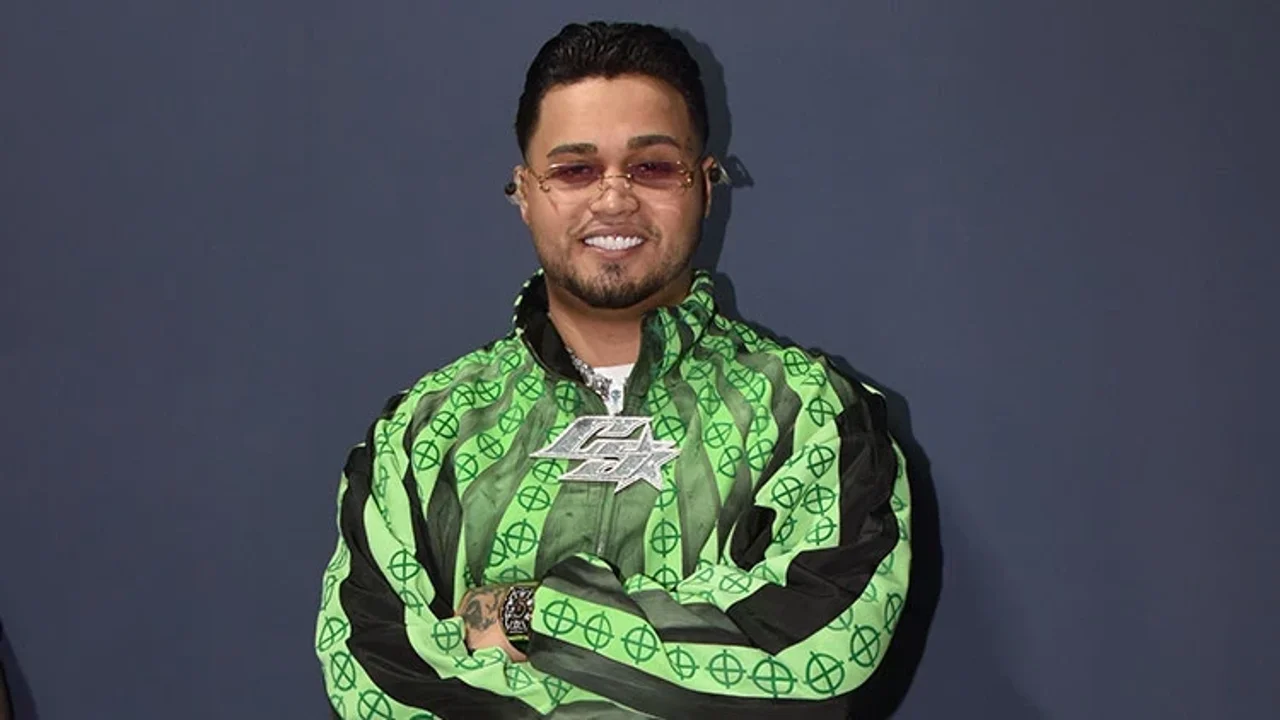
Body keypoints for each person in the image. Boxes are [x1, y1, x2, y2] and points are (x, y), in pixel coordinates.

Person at [315, 21, 911, 719]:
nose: (613, 198)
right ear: (524, 193)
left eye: (652, 167)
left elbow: (817, 663)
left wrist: (528, 612)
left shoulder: (817, 417)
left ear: (705, 186)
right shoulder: (421, 432)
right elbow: (373, 681)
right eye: (574, 170)